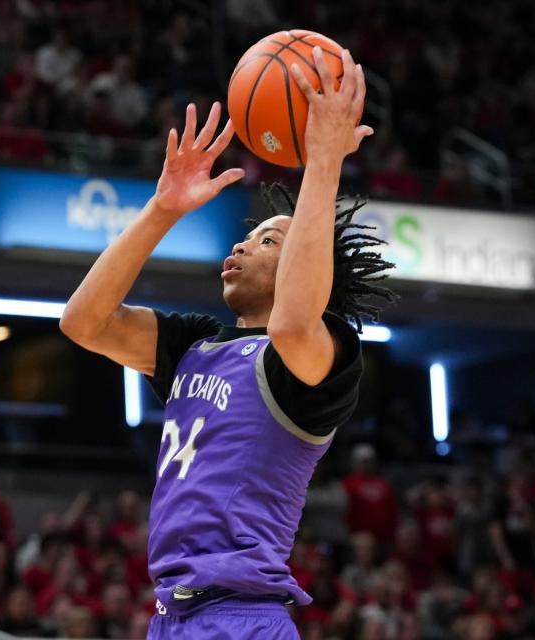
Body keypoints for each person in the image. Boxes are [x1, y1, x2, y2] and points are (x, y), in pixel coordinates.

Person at [60, 47, 394, 638]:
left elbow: (293, 321)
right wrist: (161, 210)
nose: (241, 246)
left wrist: (323, 164)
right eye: (251, 236)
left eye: (268, 242)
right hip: (169, 615)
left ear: (305, 267)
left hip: (241, 617)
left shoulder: (321, 354)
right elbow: (83, 322)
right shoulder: (195, 345)